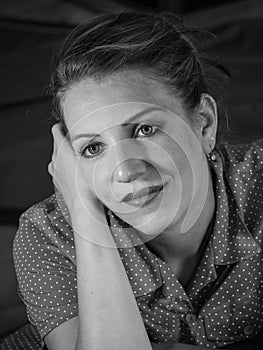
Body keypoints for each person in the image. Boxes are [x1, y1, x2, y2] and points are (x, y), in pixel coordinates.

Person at [13, 10, 263, 350]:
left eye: (145, 130)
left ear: (203, 123)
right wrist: (88, 218)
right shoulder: (46, 235)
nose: (125, 171)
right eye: (93, 147)